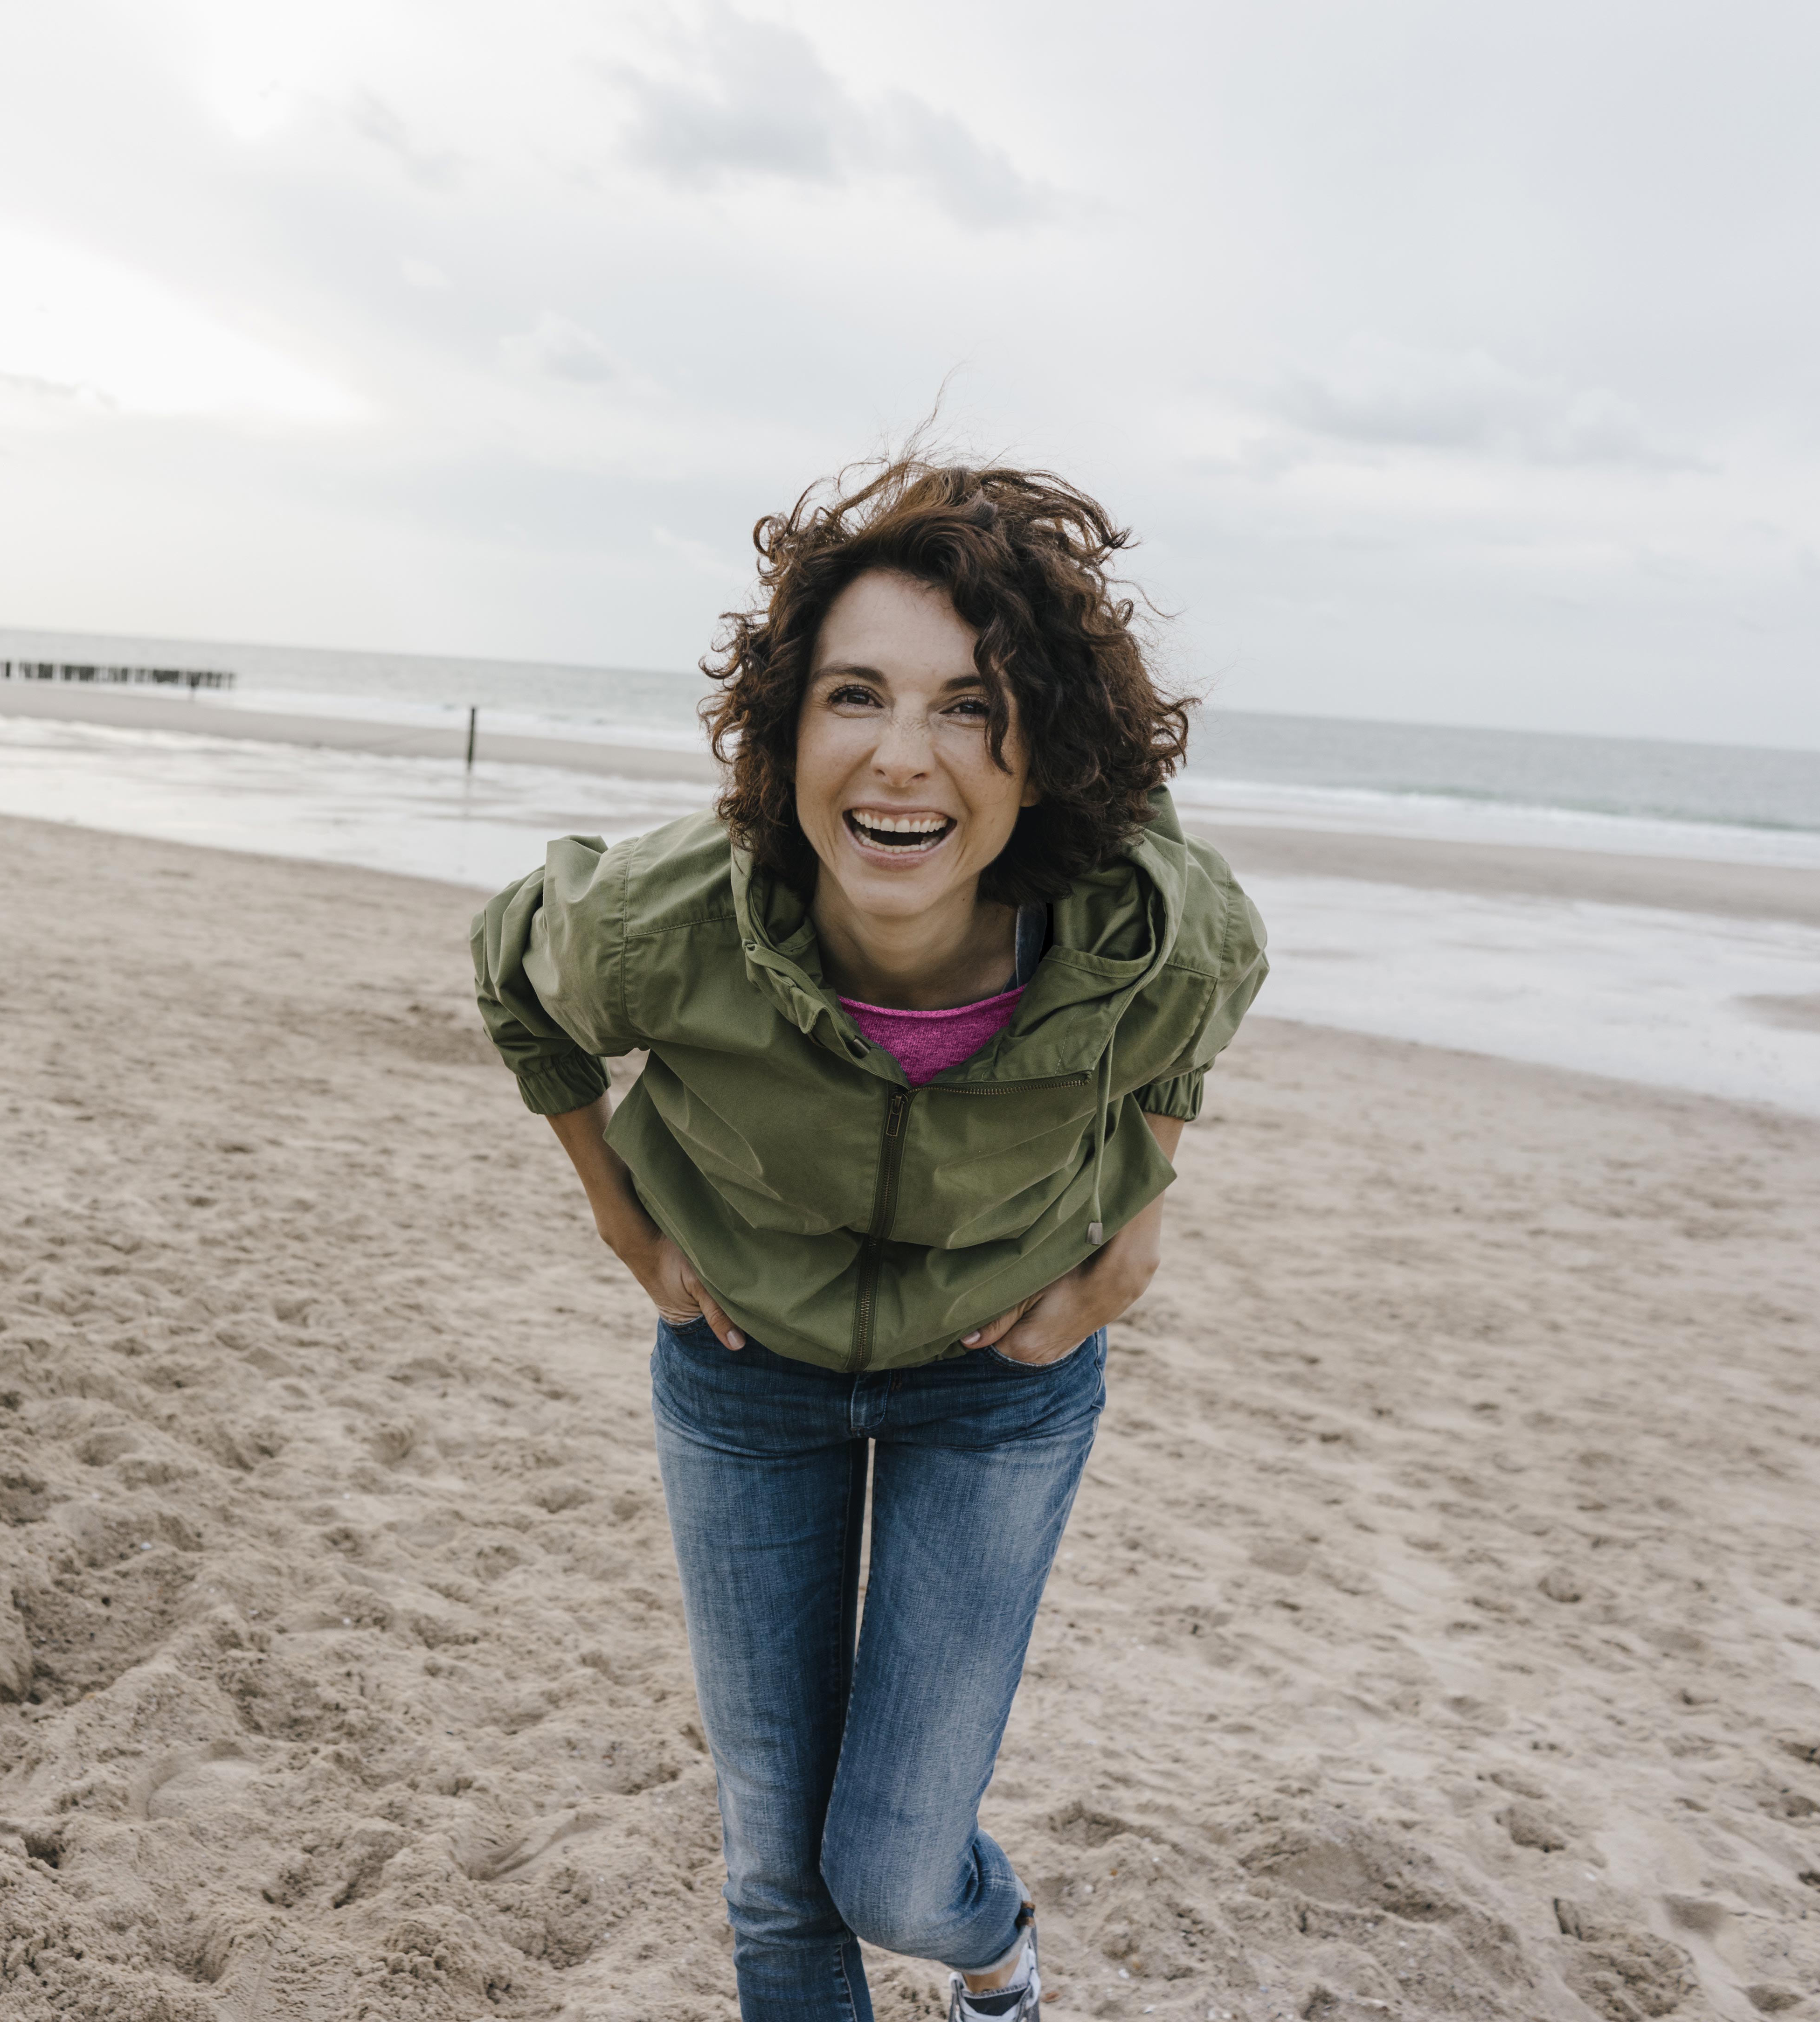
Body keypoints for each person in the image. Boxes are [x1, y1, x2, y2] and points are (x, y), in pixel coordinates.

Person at [471, 453, 1266, 2020]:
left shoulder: (1141, 925)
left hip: (999, 1391)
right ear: (787, 733)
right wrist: (623, 1221)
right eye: (856, 696)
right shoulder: (660, 921)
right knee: (782, 1885)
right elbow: (511, 970)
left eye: (972, 705)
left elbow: (1212, 993)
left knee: (893, 1872)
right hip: (744, 1383)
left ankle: (998, 1955)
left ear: (1040, 754)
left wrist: (1136, 1221)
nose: (906, 759)